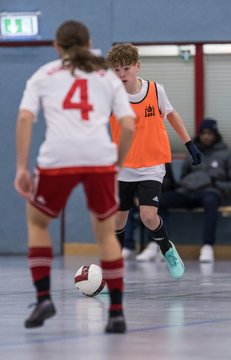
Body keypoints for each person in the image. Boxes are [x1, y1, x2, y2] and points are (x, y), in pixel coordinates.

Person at [14, 20, 136, 334]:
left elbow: (26, 118)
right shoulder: (106, 77)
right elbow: (129, 124)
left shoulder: (43, 74)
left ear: (57, 46)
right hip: (98, 159)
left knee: (38, 222)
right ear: (88, 42)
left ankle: (43, 298)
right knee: (106, 234)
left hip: (57, 158)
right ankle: (117, 313)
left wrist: (22, 168)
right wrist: (116, 165)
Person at [106, 43, 201, 279]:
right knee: (118, 219)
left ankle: (167, 249)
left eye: (126, 68)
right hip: (123, 167)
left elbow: (171, 114)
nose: (121, 74)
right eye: (116, 70)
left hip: (151, 165)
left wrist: (189, 143)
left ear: (137, 66)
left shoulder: (155, 90)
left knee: (149, 216)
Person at [158, 118, 231, 262]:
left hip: (210, 192)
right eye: (203, 133)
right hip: (187, 192)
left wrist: (216, 185)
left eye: (209, 133)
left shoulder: (226, 155)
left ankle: (207, 246)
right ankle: (158, 246)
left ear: (215, 134)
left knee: (211, 200)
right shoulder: (193, 153)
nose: (206, 136)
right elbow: (183, 177)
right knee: (160, 201)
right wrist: (188, 184)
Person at [122, 163, 177, 261]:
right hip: (138, 194)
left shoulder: (162, 161)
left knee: (154, 211)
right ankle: (128, 246)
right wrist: (136, 195)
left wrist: (148, 196)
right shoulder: (132, 160)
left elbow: (170, 183)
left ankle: (156, 245)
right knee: (125, 210)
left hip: (158, 193)